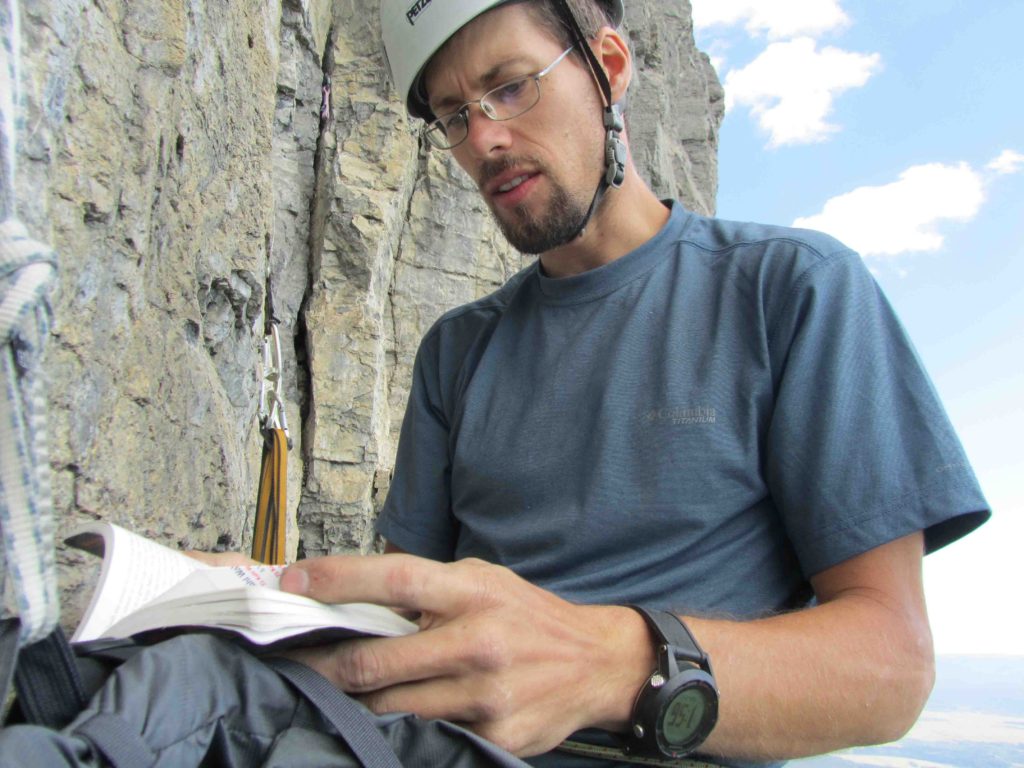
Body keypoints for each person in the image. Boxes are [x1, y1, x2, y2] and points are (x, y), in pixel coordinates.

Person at [273, 1, 991, 766]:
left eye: (510, 87)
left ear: (609, 69)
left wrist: (611, 665)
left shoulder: (791, 292)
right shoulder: (458, 350)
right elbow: (399, 611)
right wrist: (261, 594)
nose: (483, 139)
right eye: (454, 115)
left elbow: (890, 669)